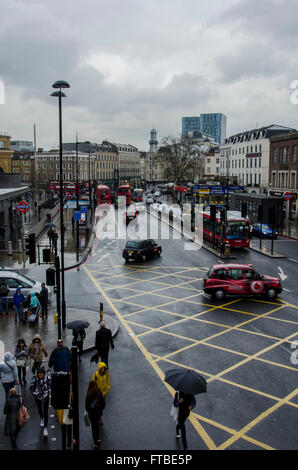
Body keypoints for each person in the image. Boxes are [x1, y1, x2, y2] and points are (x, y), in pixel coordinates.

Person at [30, 366, 51, 438]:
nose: (40, 375)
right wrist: (35, 394)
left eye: (41, 374)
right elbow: (31, 388)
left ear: (44, 374)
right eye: (39, 374)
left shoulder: (48, 378)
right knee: (40, 410)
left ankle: (45, 428)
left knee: (45, 411)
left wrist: (48, 392)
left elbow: (51, 386)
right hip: (38, 397)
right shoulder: (35, 379)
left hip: (45, 397)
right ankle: (42, 418)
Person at [85, 380, 105, 449]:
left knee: (94, 427)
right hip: (98, 412)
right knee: (97, 426)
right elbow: (103, 402)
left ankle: (95, 442)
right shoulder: (99, 392)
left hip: (92, 414)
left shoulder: (88, 395)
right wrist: (101, 408)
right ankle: (98, 438)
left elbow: (87, 407)